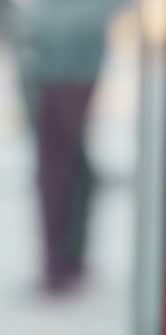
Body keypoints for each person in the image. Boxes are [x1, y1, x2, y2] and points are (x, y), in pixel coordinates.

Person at [10, 0, 124, 294]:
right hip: (43, 60)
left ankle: (61, 267)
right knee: (61, 164)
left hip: (69, 62)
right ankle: (62, 264)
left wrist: (32, 24)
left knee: (60, 166)